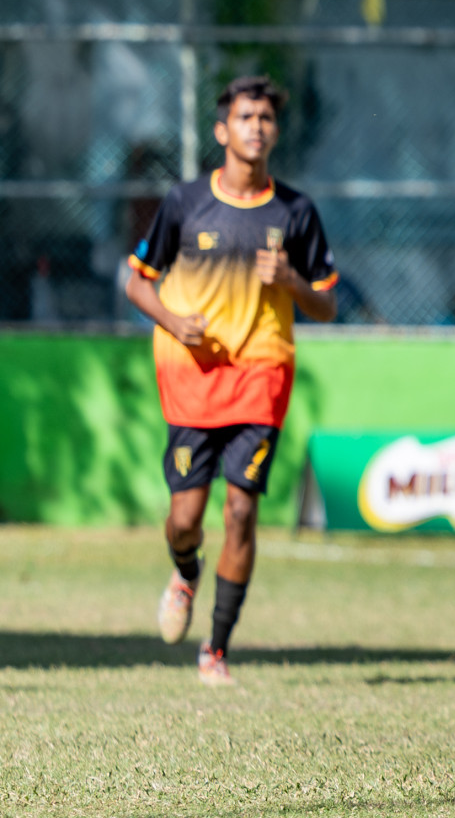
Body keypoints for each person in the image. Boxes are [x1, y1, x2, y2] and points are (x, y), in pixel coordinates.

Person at [125, 75, 339, 686]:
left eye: (266, 118)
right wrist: (171, 318)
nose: (256, 127)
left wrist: (293, 281)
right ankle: (185, 570)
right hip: (192, 378)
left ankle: (215, 650)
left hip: (262, 374)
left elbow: (326, 302)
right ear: (222, 130)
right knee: (186, 519)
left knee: (242, 512)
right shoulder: (185, 203)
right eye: (245, 117)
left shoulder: (296, 212)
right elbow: (137, 279)